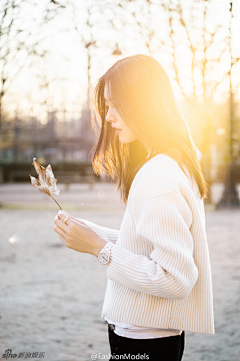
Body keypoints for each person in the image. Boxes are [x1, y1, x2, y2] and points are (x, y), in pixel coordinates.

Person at [53, 54, 215, 361]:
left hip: (144, 339)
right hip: (152, 333)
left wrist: (100, 248)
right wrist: (91, 233)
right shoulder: (172, 161)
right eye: (107, 106)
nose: (109, 116)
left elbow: (173, 277)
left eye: (117, 104)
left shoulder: (159, 173)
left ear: (144, 103)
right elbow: (152, 244)